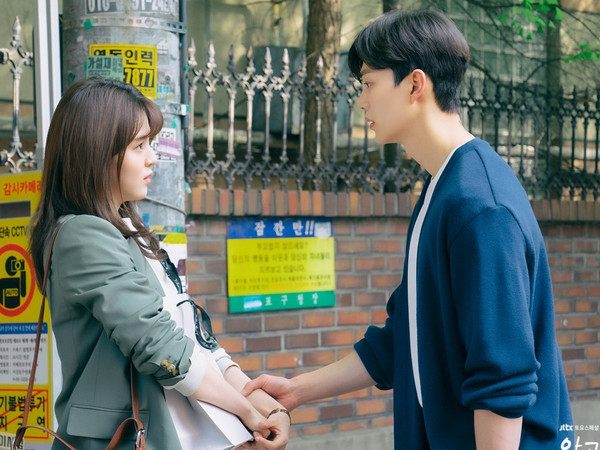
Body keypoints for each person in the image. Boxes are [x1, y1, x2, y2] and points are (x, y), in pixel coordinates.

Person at [242, 9, 574, 450]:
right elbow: (408, 333)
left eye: (368, 84)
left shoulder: (480, 205)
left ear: (415, 84)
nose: (361, 101)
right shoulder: (443, 186)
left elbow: (503, 380)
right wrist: (296, 391)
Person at [28, 78, 290, 449]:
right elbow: (158, 343)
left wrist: (262, 403)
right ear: (97, 152)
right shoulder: (81, 234)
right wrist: (247, 412)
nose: (152, 157)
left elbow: (190, 333)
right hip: (121, 439)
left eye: (150, 144)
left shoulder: (129, 229)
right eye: (138, 146)